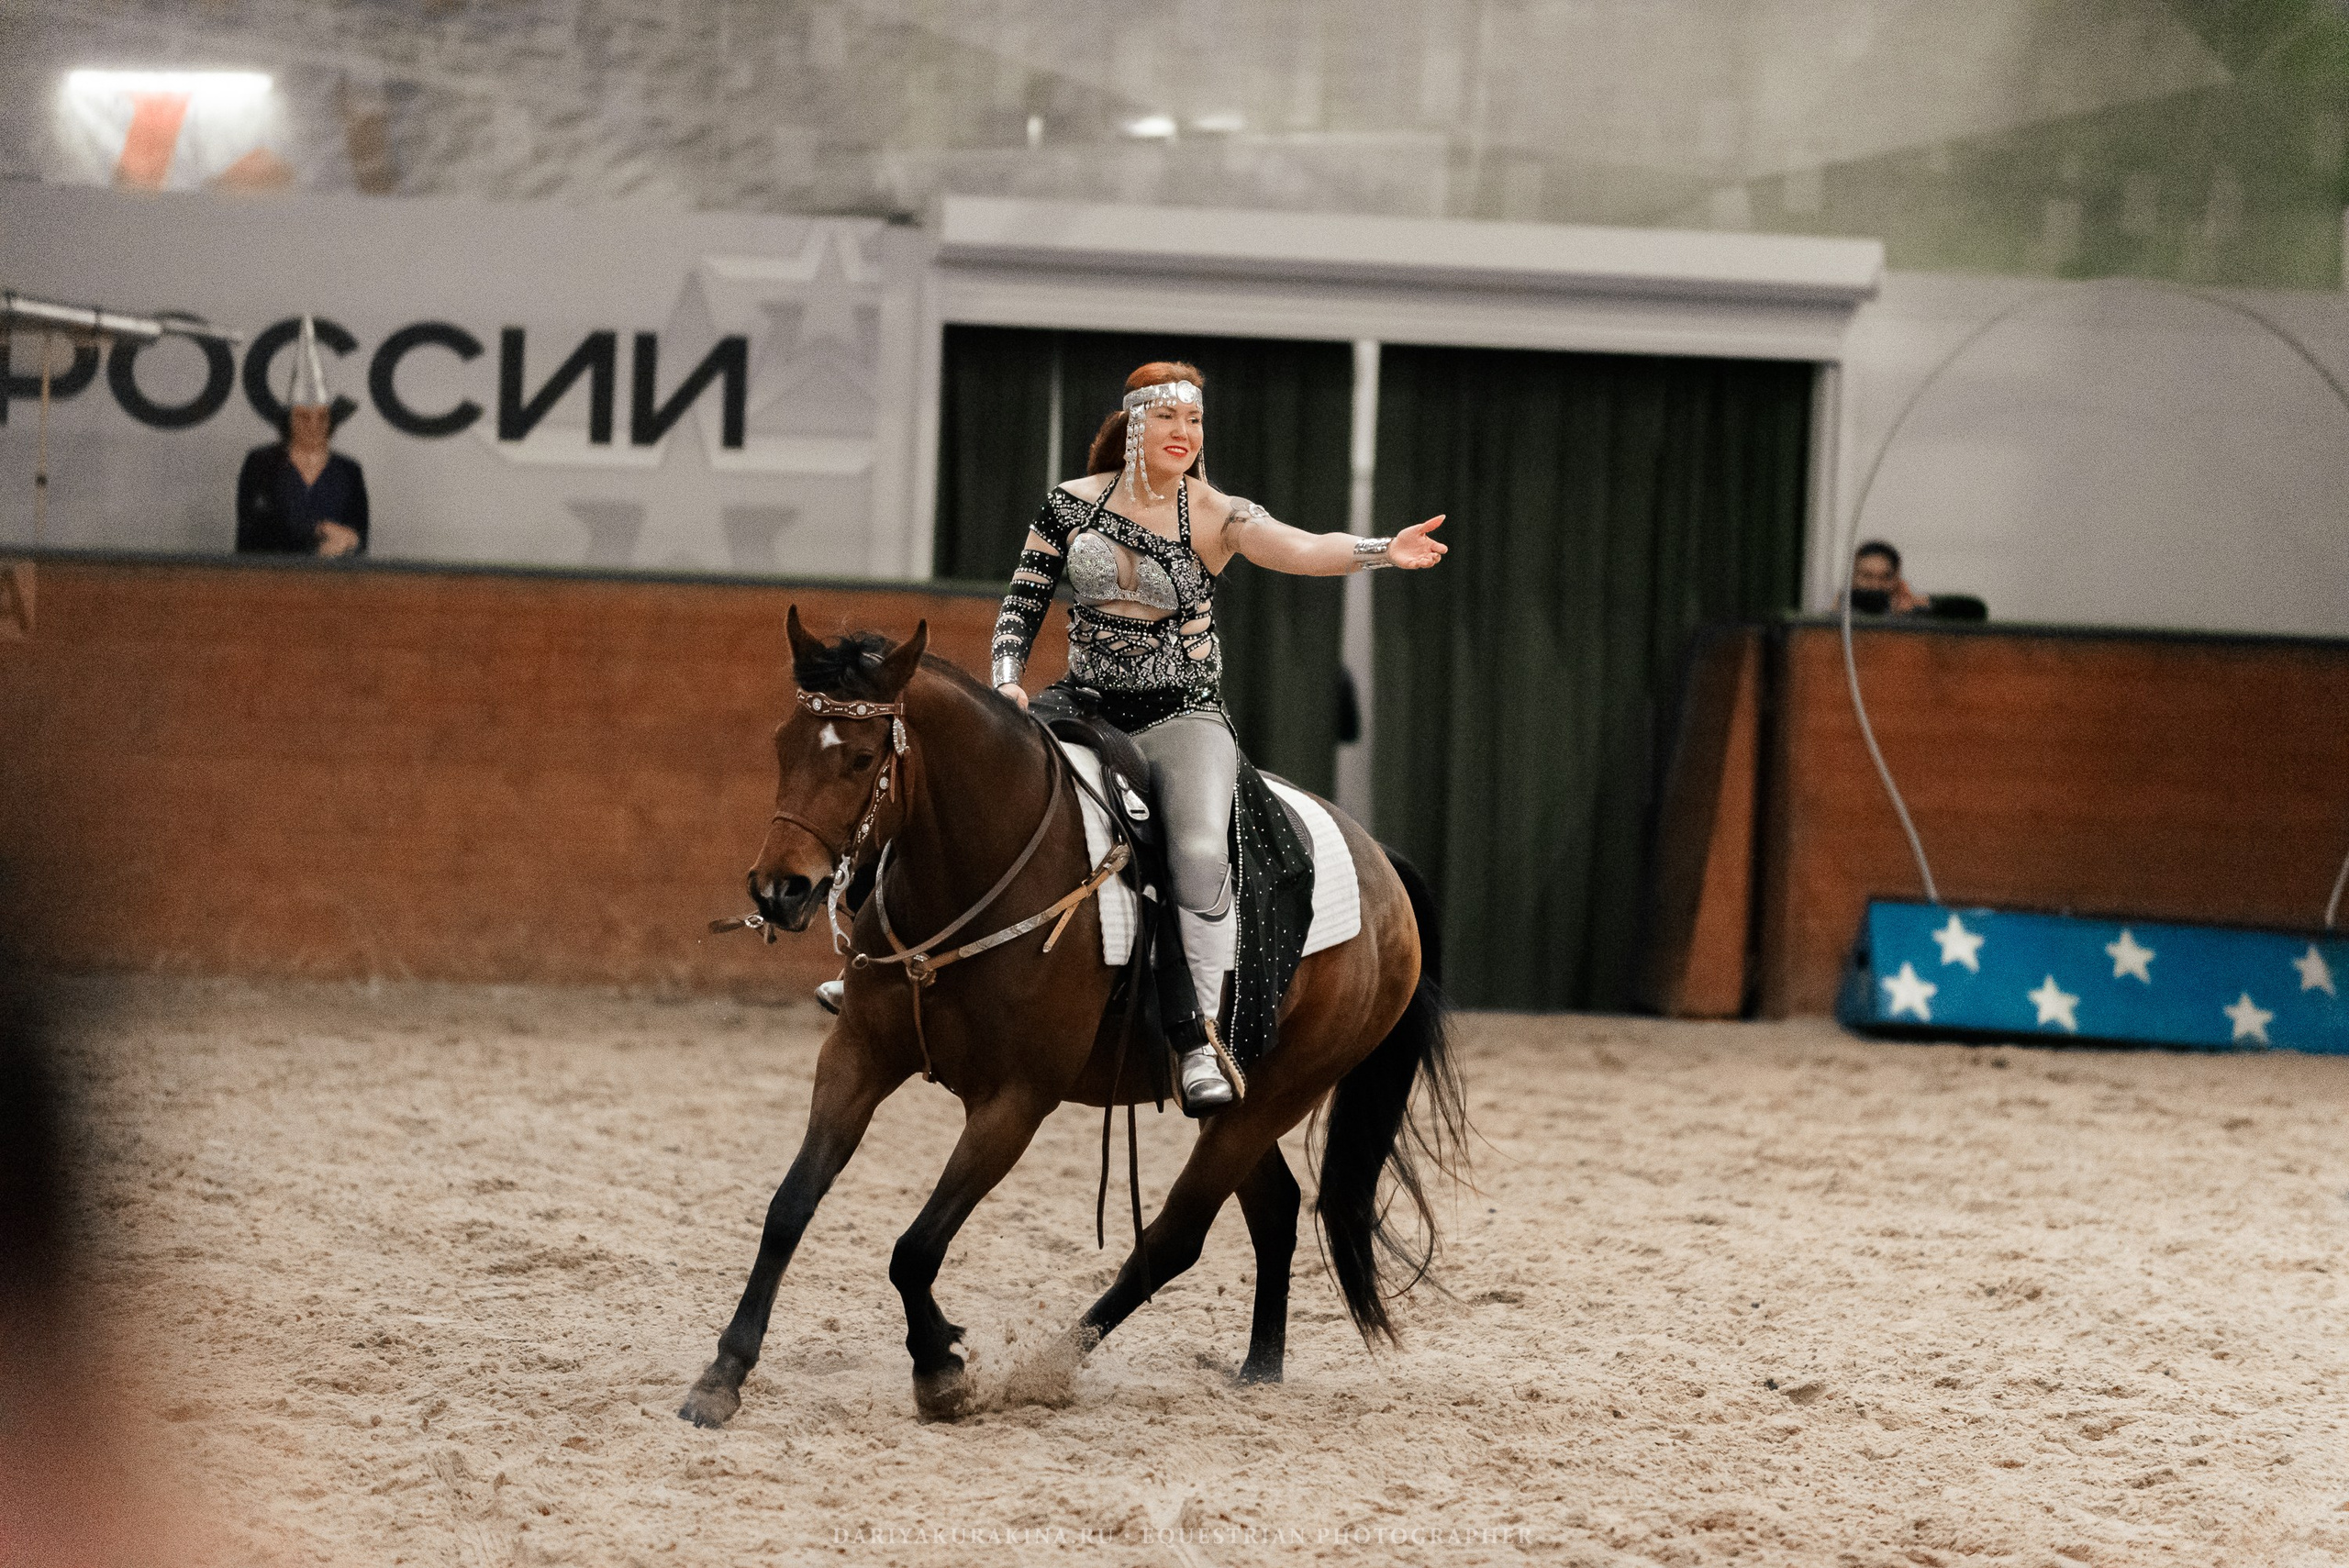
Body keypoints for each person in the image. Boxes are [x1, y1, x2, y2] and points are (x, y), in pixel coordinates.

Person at [990, 361, 1448, 1112]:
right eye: (1169, 417)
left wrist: (1379, 550)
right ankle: (894, 964)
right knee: (984, 792)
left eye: (1196, 420)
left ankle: (1197, 1037)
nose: (1185, 433)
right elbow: (1022, 603)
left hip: (1181, 716)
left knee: (1201, 855)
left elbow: (1303, 547)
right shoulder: (1069, 504)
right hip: (1083, 706)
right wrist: (1008, 675)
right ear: (1135, 421)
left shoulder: (1218, 515)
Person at [236, 316, 368, 558]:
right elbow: (252, 531)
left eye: (322, 417)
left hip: (334, 577)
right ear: (289, 421)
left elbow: (361, 534)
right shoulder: (262, 464)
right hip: (270, 574)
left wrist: (348, 540)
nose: (314, 425)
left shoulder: (348, 471)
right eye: (304, 417)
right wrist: (319, 530)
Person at [1851, 539, 1925, 614]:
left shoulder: (1912, 612)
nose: (1876, 586)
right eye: (1867, 576)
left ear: (1896, 579)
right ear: (1854, 577)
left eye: (1885, 578)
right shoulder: (1844, 610)